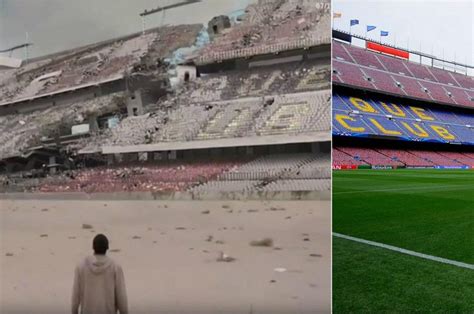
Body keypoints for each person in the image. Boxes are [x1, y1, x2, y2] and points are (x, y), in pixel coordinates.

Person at [71, 234, 128, 314]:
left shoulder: (81, 267)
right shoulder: (115, 267)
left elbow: (75, 297)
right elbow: (122, 298)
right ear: (107, 248)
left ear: (93, 247)